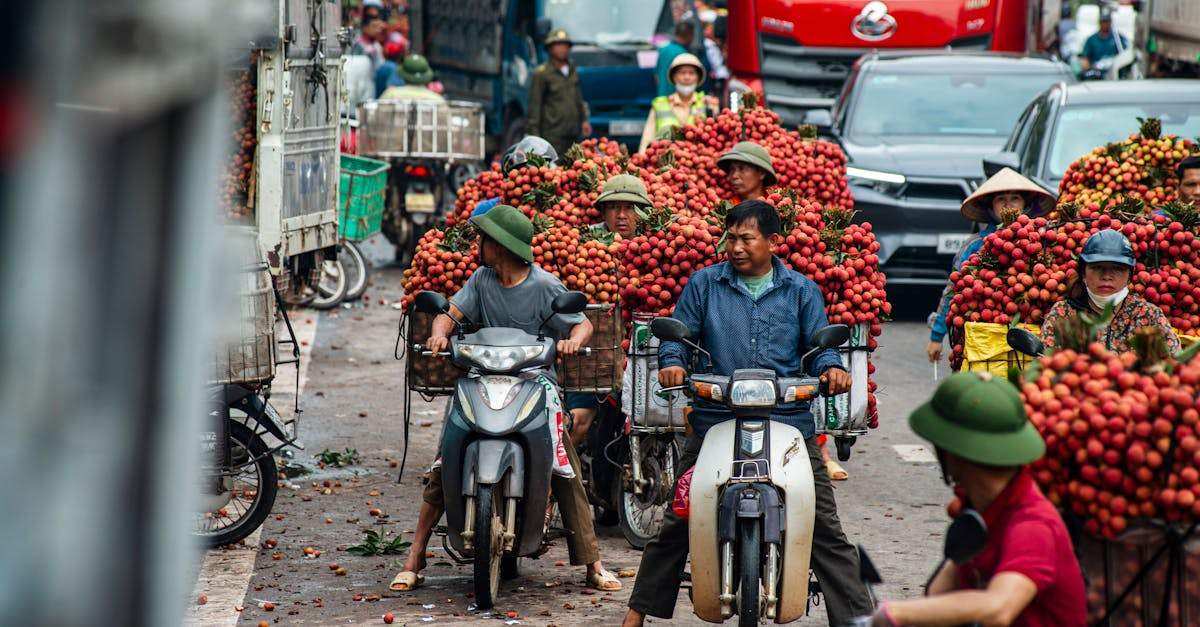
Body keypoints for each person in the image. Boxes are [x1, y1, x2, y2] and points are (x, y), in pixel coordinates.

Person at [622, 200, 871, 626]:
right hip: (713, 418)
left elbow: (820, 346)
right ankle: (636, 613)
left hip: (789, 420)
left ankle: (859, 620)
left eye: (746, 238)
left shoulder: (801, 290)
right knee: (679, 519)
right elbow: (676, 336)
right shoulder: (705, 285)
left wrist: (831, 368)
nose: (735, 247)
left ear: (773, 242)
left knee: (824, 525)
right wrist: (672, 360)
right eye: (730, 238)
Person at [390, 205, 622, 593]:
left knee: (563, 465)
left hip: (535, 384)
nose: (478, 245)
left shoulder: (545, 285)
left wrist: (572, 341)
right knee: (446, 456)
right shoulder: (481, 279)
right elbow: (451, 311)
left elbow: (582, 322)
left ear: (500, 246)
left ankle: (593, 563)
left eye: (484, 239)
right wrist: (439, 332)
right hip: (483, 377)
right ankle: (414, 556)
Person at [862, 371, 1086, 627]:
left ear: (954, 453)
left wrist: (895, 613)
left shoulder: (1033, 524)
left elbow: (998, 608)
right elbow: (938, 593)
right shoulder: (981, 510)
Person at [927, 168, 1056, 363]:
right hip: (983, 336)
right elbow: (953, 290)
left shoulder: (1042, 242)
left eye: (1015, 198)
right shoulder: (975, 245)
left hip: (1030, 336)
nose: (1008, 204)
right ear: (990, 206)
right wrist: (937, 336)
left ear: (1025, 204)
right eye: (1000, 199)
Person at [563, 174, 649, 443]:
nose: (622, 215)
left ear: (643, 212)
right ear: (603, 211)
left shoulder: (654, 245)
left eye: (629, 207)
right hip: (592, 352)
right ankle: (557, 479)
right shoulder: (585, 245)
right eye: (614, 207)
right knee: (579, 421)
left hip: (637, 351)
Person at [1040, 229, 1181, 353]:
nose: (1107, 276)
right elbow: (1047, 370)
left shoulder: (1148, 315)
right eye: (1097, 267)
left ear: (1129, 277)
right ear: (1083, 274)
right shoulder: (1063, 315)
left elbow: (1174, 366)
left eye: (1117, 269)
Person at [528, 29, 591, 157]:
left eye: (565, 45)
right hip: (552, 136)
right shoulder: (542, 73)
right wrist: (535, 139)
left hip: (574, 135)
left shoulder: (573, 69)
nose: (562, 49)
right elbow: (534, 108)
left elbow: (578, 97)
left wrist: (584, 120)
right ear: (550, 49)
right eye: (558, 45)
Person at [638, 53, 718, 152]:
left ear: (698, 78)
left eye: (691, 73)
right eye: (682, 73)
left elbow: (715, 140)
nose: (687, 77)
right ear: (674, 77)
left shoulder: (708, 103)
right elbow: (647, 138)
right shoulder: (660, 105)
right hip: (664, 162)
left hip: (698, 162)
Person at [655, 22, 696, 97]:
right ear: (689, 35)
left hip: (661, 97)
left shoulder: (663, 49)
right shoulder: (684, 54)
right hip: (676, 99)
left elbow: (656, 76)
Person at [379, 55, 444, 101]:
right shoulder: (437, 100)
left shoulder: (390, 95)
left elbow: (376, 118)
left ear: (403, 74)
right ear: (426, 76)